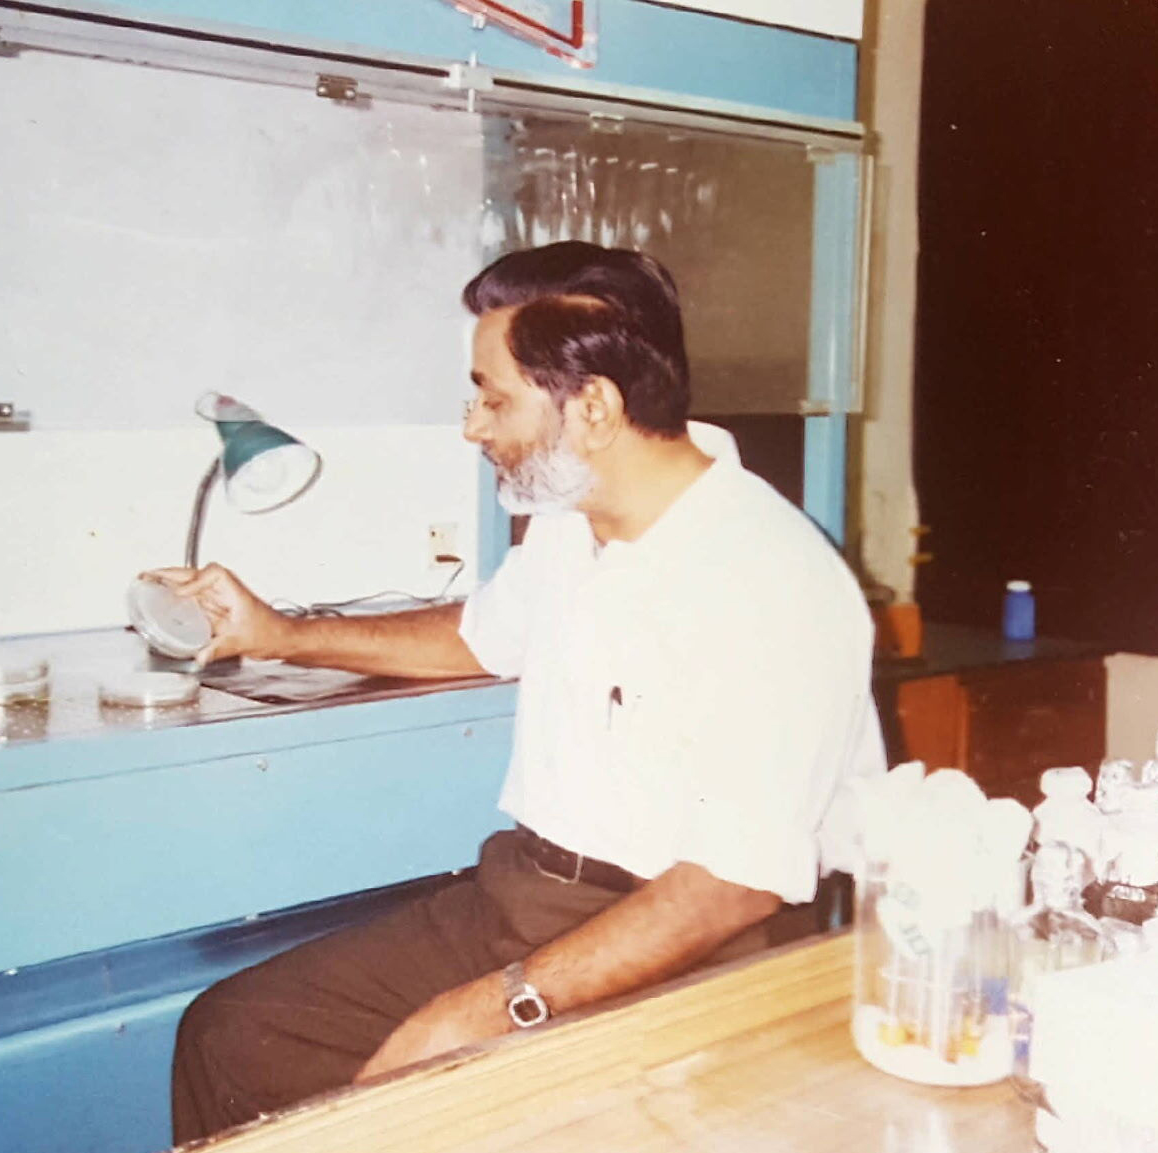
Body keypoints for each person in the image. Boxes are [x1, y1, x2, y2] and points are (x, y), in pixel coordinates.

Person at [157, 241, 884, 1142]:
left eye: (493, 397)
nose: (474, 425)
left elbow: (731, 886)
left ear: (594, 407)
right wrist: (281, 635)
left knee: (431, 1112)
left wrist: (496, 1008)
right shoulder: (576, 521)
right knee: (234, 1034)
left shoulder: (771, 578)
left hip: (685, 941)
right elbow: (482, 633)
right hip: (522, 897)